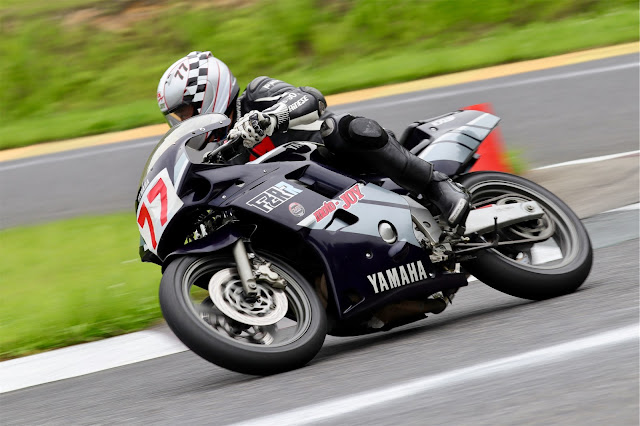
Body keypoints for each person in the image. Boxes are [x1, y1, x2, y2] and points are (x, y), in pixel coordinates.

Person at [157, 51, 469, 227]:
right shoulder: (223, 153)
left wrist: (269, 118)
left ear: (208, 91)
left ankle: (436, 185)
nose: (183, 121)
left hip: (345, 162)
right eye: (177, 118)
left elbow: (311, 98)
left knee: (342, 127)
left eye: (184, 112)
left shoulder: (256, 94)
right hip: (315, 200)